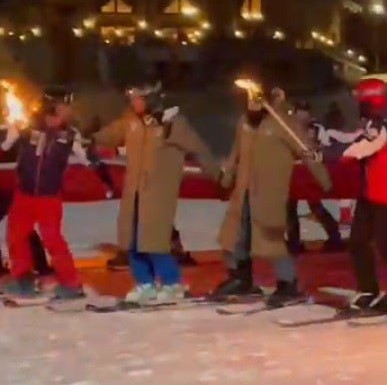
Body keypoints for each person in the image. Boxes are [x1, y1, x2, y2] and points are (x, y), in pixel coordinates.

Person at [90, 83, 221, 305]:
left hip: (158, 192)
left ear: (150, 99)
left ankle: (172, 283)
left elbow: (199, 149)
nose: (134, 103)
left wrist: (219, 176)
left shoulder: (172, 124)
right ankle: (145, 283)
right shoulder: (131, 122)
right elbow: (108, 136)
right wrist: (86, 138)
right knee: (131, 241)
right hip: (134, 191)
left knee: (153, 241)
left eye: (139, 99)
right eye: (132, 99)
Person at [210, 84, 332, 307]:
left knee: (270, 239)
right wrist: (225, 178)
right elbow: (234, 154)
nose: (251, 105)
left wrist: (325, 180)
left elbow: (306, 151)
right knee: (234, 235)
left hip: (268, 192)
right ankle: (241, 278)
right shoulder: (245, 123)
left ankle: (288, 282)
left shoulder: (283, 124)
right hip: (243, 190)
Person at [320, 78, 387, 316]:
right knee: (358, 241)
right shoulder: (385, 119)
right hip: (373, 191)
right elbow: (361, 140)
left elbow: (363, 148)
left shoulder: (385, 122)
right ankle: (370, 292)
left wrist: (326, 154)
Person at [0, 88, 88, 300]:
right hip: (25, 193)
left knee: (53, 239)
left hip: (49, 196)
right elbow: (5, 145)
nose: (67, 112)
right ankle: (23, 279)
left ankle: (71, 282)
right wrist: (11, 131)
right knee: (15, 236)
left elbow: (88, 158)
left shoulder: (70, 136)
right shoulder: (28, 128)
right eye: (63, 107)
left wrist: (92, 155)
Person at [286, 100, 345, 255]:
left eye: (305, 111)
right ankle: (294, 243)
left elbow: (327, 148)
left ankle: (335, 238)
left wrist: (318, 151)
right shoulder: (287, 129)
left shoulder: (317, 129)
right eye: (300, 111)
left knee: (316, 206)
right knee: (289, 207)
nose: (302, 114)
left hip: (311, 173)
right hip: (293, 172)